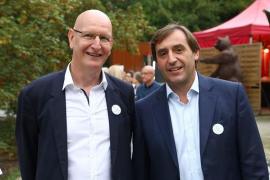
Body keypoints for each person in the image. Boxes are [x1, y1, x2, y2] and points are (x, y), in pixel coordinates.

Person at [132, 24, 269, 180]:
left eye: (178, 50)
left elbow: (254, 164)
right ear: (157, 61)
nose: (171, 59)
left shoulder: (232, 96)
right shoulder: (143, 110)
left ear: (196, 53)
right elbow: (141, 171)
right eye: (163, 53)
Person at [16, 9, 135, 180]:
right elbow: (28, 160)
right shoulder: (35, 95)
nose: (96, 44)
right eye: (88, 35)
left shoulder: (124, 94)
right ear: (72, 38)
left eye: (104, 38)